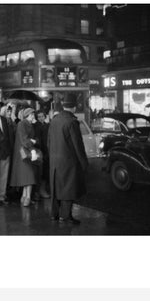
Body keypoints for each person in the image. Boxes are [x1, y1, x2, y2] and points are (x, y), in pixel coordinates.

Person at [47, 93, 89, 224]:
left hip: (54, 160)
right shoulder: (72, 122)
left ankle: (54, 214)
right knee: (68, 189)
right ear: (74, 108)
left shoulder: (54, 120)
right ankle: (65, 216)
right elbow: (78, 145)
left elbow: (48, 142)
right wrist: (84, 163)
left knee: (55, 188)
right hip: (68, 161)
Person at [10, 108, 38, 207]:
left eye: (33, 114)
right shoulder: (23, 124)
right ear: (26, 116)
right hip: (24, 152)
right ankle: (27, 197)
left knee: (26, 175)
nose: (33, 116)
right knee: (29, 175)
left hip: (24, 152)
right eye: (31, 115)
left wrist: (32, 142)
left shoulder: (26, 124)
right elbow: (24, 139)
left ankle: (25, 195)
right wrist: (32, 146)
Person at [33, 110, 50, 199]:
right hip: (40, 151)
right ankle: (39, 191)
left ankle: (41, 190)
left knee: (45, 172)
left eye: (42, 116)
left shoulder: (47, 125)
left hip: (46, 151)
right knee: (41, 173)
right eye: (39, 117)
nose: (41, 118)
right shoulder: (36, 126)